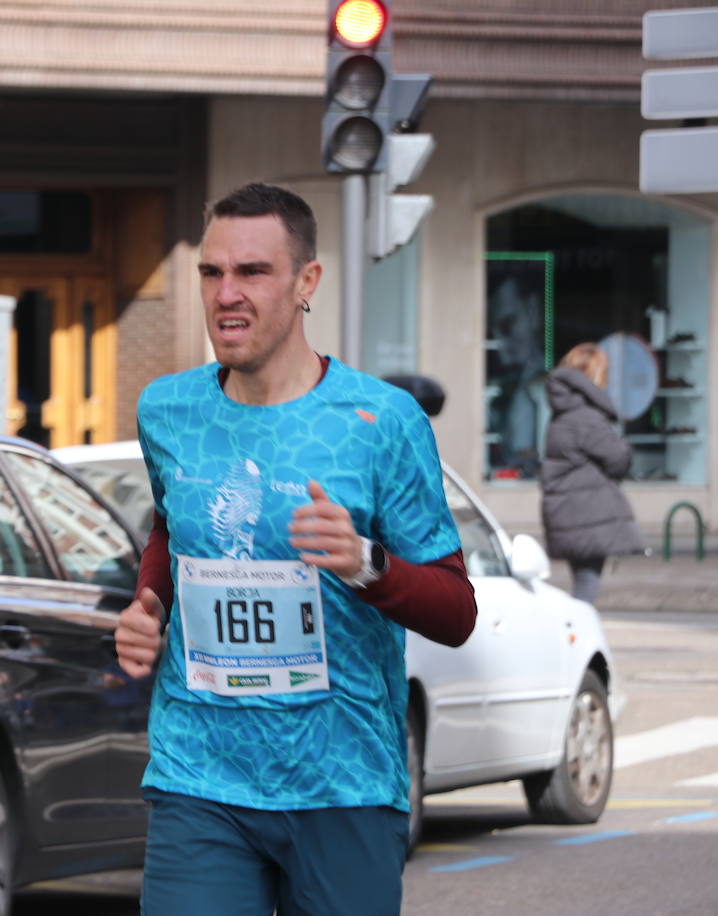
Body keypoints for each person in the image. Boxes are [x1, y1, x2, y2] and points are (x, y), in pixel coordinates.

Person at [112, 181, 478, 916]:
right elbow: (168, 526)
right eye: (212, 273)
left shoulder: (381, 421)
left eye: (253, 272)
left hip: (342, 778)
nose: (226, 294)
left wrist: (364, 564)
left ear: (307, 281)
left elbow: (456, 610)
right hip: (201, 773)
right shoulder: (168, 410)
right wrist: (150, 601)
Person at [540, 342, 644, 604]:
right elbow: (617, 458)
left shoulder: (562, 414)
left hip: (570, 510)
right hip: (587, 512)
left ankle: (574, 632)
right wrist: (625, 450)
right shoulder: (585, 417)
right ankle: (576, 636)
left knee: (584, 578)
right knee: (587, 583)